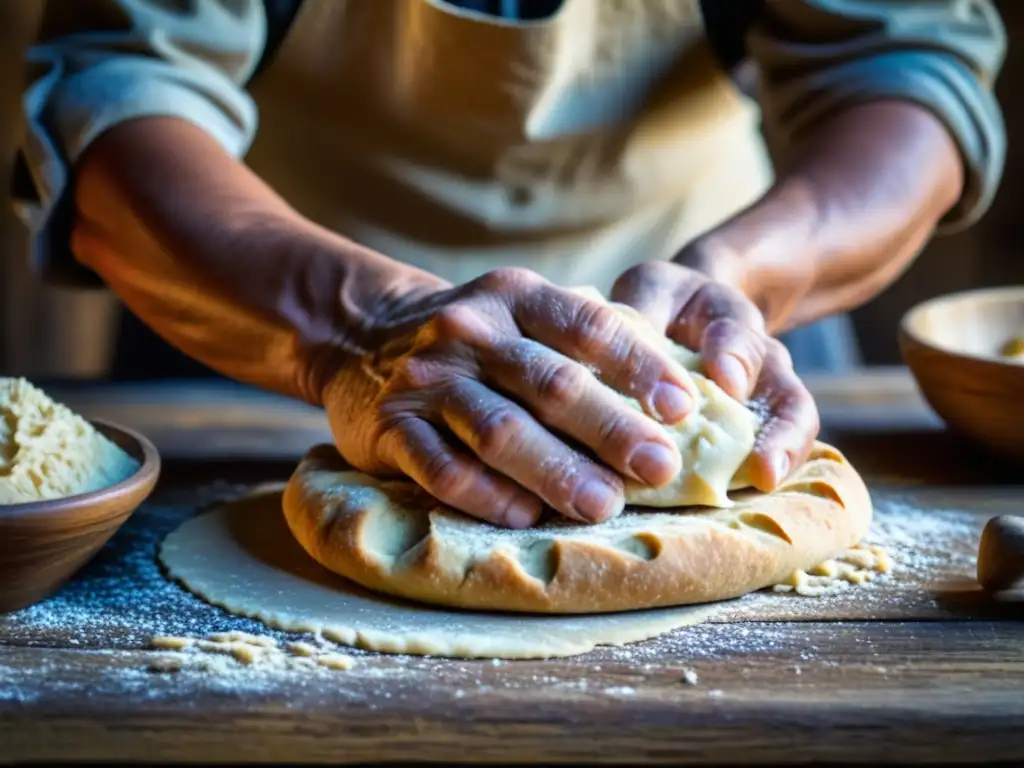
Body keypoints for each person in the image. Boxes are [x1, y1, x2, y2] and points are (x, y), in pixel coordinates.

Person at [14, 0, 1005, 529]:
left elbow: (906, 73)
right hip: (268, 318)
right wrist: (361, 334)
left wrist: (741, 280)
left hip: (704, 352)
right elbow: (118, 94)